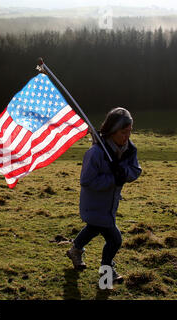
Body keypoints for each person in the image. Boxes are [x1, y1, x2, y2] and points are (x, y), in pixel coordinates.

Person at [66, 107, 142, 284]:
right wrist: (113, 178)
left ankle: (75, 251)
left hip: (110, 204)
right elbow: (87, 181)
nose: (127, 136)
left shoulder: (129, 149)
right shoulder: (96, 153)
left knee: (93, 228)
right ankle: (106, 274)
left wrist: (123, 173)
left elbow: (135, 170)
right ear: (113, 131)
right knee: (115, 240)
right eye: (123, 132)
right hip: (94, 203)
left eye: (129, 132)